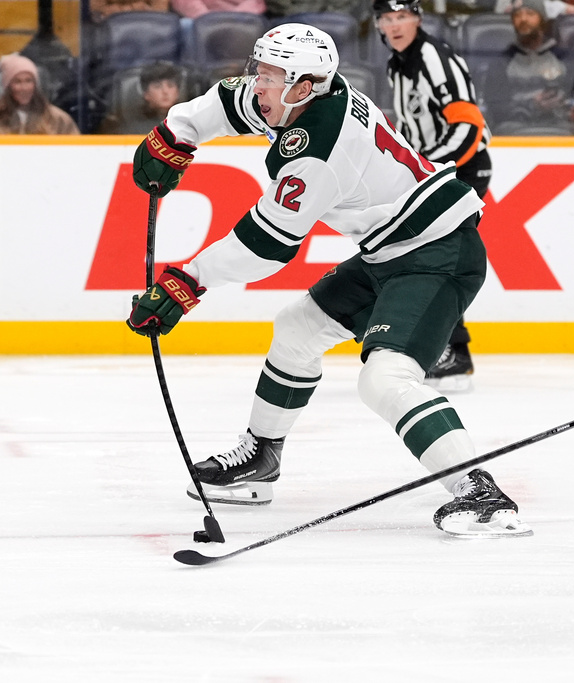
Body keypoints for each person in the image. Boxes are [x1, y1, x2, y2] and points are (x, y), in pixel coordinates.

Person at [125, 24, 531, 538]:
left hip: (438, 253)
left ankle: (480, 492)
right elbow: (228, 102)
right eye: (261, 70)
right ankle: (261, 460)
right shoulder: (300, 98)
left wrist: (188, 282)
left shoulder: (318, 147)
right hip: (392, 249)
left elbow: (267, 245)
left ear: (303, 86)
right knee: (297, 329)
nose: (257, 85)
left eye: (270, 77)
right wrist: (176, 132)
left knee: (384, 379)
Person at [374, 0, 491, 391]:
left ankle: (452, 353)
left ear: (418, 19)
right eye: (387, 19)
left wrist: (435, 170)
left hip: (462, 168)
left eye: (402, 16)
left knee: (438, 256)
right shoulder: (399, 64)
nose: (395, 25)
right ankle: (444, 349)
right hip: (437, 173)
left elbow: (468, 125)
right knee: (423, 255)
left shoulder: (432, 57)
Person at [483, 0, 574, 133]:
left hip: (558, 126)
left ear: (542, 20)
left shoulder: (565, 59)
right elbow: (496, 109)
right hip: (513, 129)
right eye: (517, 15)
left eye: (530, 14)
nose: (523, 19)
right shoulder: (501, 62)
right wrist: (532, 105)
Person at [98, 61, 186, 135]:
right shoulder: (128, 128)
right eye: (157, 86)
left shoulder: (188, 124)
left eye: (170, 86)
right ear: (146, 93)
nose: (165, 91)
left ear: (178, 92)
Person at [0, 54, 79, 135]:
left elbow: (75, 145)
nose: (24, 88)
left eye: (28, 81)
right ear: (8, 86)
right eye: (17, 82)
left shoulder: (57, 118)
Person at [170, 0, 265, 19]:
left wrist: (233, 18)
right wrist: (209, 18)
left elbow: (256, 2)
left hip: (242, 17)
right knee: (187, 26)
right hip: (201, 17)